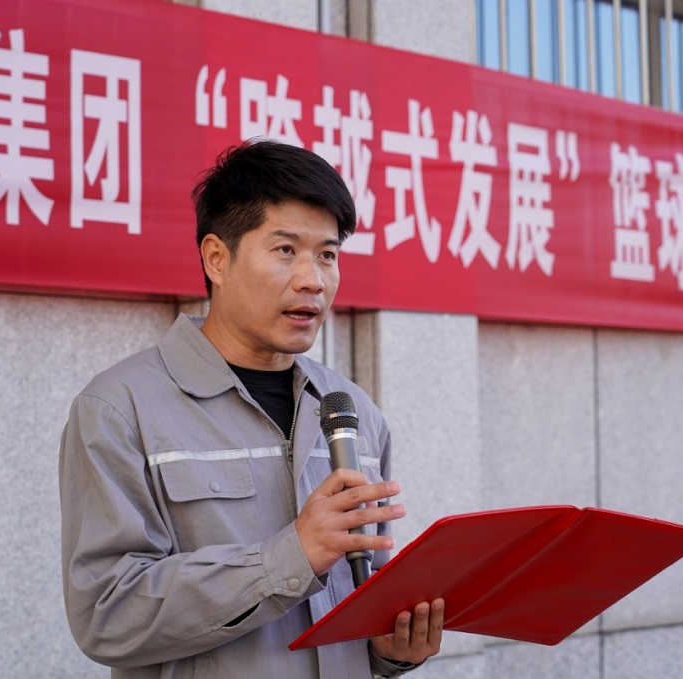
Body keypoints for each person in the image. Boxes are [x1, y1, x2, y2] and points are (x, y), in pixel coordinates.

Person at [59, 139, 444, 678]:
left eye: (327, 255)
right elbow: (107, 614)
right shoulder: (121, 410)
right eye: (286, 250)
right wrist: (289, 558)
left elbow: (364, 597)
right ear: (217, 258)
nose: (313, 279)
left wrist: (390, 649)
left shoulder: (351, 410)